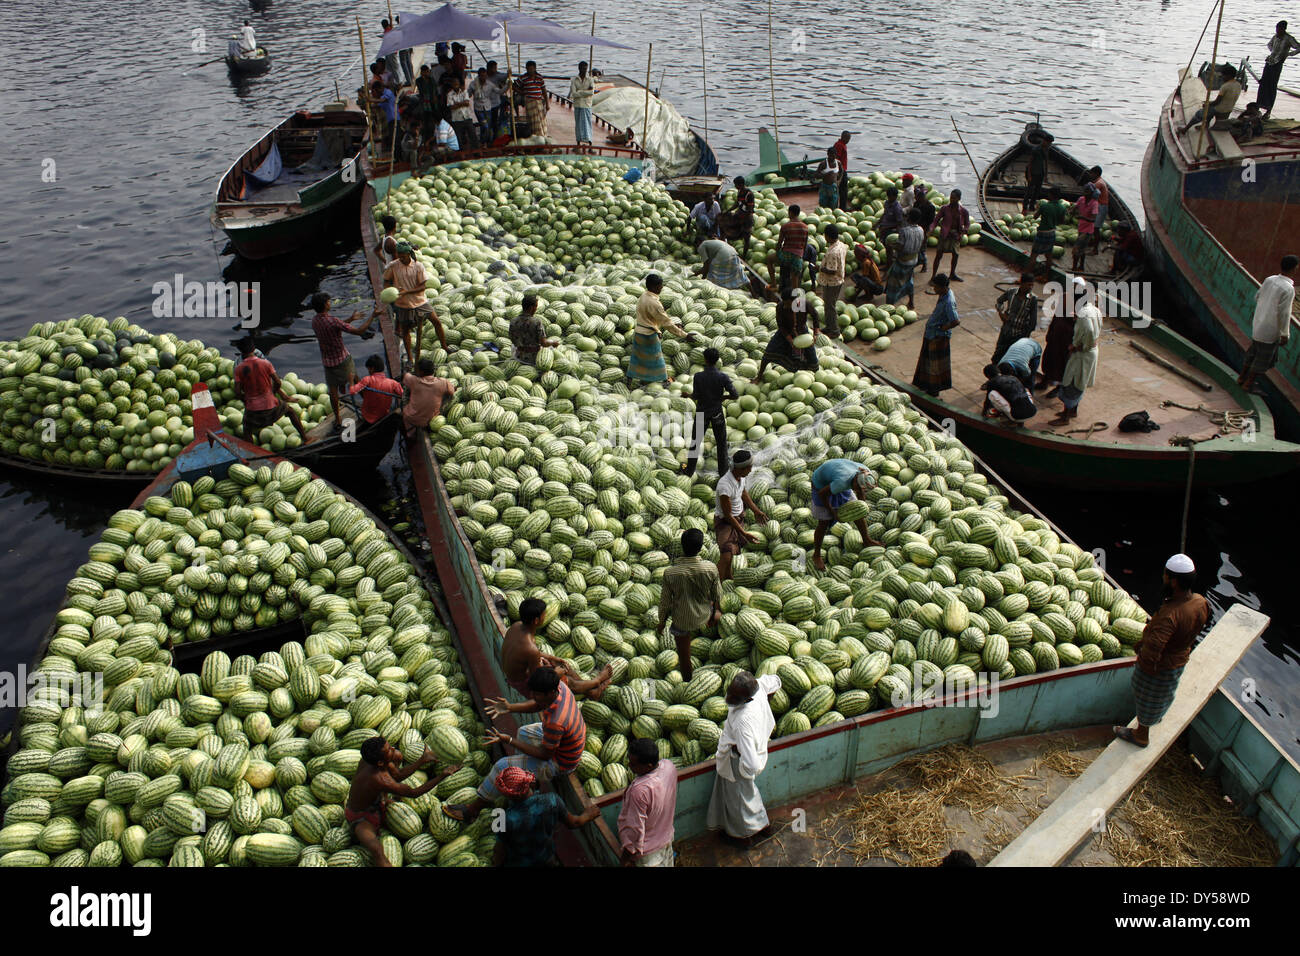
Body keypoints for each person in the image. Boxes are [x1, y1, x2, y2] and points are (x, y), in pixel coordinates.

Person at [445, 666, 585, 824]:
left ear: (549, 693)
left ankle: (472, 811)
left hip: (562, 761)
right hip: (567, 741)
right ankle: (525, 783)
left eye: (536, 694)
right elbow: (538, 704)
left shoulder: (556, 721)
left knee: (501, 767)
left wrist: (509, 740)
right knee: (524, 733)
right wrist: (509, 708)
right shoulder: (560, 688)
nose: (532, 696)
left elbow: (545, 754)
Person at [1113, 554, 1211, 748]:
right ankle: (1156, 718)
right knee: (1166, 693)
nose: (1163, 579)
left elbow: (1154, 649)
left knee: (1147, 698)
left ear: (1173, 581)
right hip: (1180, 659)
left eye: (1165, 576)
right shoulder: (1200, 601)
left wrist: (1145, 667)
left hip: (1160, 667)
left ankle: (1141, 735)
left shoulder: (1170, 615)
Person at [347, 737, 457, 867]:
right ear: (381, 762)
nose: (393, 749)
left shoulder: (370, 761)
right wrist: (443, 775)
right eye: (389, 750)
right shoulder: (380, 779)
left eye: (390, 746)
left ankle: (385, 800)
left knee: (398, 756)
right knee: (376, 850)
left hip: (377, 802)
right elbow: (414, 793)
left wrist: (422, 760)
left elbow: (398, 776)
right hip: (360, 817)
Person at [707, 671, 781, 848]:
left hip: (738, 763)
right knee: (749, 795)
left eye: (734, 696)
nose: (729, 697)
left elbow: (752, 762)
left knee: (738, 801)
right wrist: (768, 702)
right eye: (730, 691)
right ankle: (764, 827)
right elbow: (776, 681)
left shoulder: (742, 722)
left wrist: (741, 766)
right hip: (749, 753)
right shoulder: (759, 689)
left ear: (747, 698)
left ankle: (743, 838)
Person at [491, 597, 613, 701]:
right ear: (537, 620)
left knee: (565, 668)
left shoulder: (516, 626)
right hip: (524, 685)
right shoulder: (530, 648)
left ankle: (592, 692)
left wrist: (550, 657)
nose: (547, 616)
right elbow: (538, 682)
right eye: (545, 614)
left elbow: (523, 653)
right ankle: (597, 682)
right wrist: (556, 673)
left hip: (518, 672)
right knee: (568, 682)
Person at [489, 767, 601, 867]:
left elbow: (499, 852)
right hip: (546, 857)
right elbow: (574, 823)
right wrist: (588, 815)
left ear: (507, 795)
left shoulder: (502, 818)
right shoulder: (552, 800)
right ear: (529, 783)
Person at [658, 529, 722, 681]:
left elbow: (665, 602)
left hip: (682, 621)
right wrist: (714, 613)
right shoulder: (710, 568)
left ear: (682, 546)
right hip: (705, 615)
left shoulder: (670, 573)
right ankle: (713, 644)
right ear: (700, 548)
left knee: (683, 656)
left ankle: (688, 680)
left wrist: (661, 623)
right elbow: (718, 595)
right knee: (719, 614)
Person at [309, 292, 375, 427]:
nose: (330, 302)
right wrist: (373, 316)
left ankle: (338, 420)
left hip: (328, 362)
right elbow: (359, 331)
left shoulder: (315, 321)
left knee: (333, 392)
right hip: (342, 360)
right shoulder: (333, 320)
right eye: (328, 301)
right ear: (324, 305)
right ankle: (369, 409)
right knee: (357, 381)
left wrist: (350, 319)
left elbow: (335, 327)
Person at [1237, 254, 1298, 391]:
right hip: (1270, 330)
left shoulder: (1269, 279)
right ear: (1294, 269)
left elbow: (1257, 296)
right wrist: (1285, 334)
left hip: (1258, 325)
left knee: (1252, 353)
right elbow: (1284, 313)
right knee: (1261, 359)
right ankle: (1248, 384)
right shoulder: (1288, 289)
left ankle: (1241, 378)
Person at [809, 458, 882, 571]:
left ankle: (866, 540)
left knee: (858, 514)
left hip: (837, 477)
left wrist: (861, 506)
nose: (858, 490)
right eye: (857, 488)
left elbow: (860, 491)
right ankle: (816, 555)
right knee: (824, 523)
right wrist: (833, 513)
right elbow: (822, 494)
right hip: (820, 484)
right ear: (854, 482)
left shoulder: (865, 472)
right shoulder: (842, 482)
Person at [383, 241, 449, 364]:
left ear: (409, 253)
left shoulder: (418, 266)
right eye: (399, 255)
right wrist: (390, 291)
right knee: (406, 331)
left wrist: (406, 292)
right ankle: (410, 358)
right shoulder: (393, 266)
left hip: (420, 301)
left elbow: (422, 287)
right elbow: (386, 281)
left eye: (403, 255)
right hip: (403, 304)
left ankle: (444, 346)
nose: (400, 258)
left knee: (436, 322)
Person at [233, 338, 309, 443]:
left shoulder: (238, 369)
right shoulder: (266, 364)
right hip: (271, 406)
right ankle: (305, 438)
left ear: (241, 352)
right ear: (254, 348)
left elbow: (237, 392)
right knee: (290, 411)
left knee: (246, 428)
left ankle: (251, 453)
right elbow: (278, 382)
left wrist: (246, 401)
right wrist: (272, 393)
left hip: (253, 411)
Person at [618, 738, 678, 866]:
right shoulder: (669, 766)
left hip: (649, 854)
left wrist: (625, 858)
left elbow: (634, 831)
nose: (629, 765)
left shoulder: (639, 791)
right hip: (666, 838)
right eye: (629, 760)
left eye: (633, 764)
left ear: (648, 766)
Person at [1050, 277, 1101, 426]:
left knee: (1071, 383)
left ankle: (1065, 417)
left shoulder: (1084, 313)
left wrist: (1078, 346)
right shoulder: (1094, 309)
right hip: (1091, 352)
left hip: (1083, 354)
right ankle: (1073, 410)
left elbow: (1090, 331)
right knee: (1080, 381)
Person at [628, 273, 693, 386]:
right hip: (649, 336)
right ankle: (664, 381)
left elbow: (650, 319)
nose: (662, 287)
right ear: (653, 287)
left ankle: (629, 381)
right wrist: (685, 335)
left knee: (637, 359)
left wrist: (673, 324)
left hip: (639, 333)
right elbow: (666, 322)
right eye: (660, 285)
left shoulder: (643, 296)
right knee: (657, 360)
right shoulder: (655, 303)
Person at [684, 348, 738, 477]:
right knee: (721, 444)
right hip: (717, 413)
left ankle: (689, 471)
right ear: (717, 360)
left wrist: (688, 395)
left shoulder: (698, 376)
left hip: (702, 413)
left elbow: (696, 395)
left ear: (705, 360)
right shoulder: (723, 376)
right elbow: (735, 395)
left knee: (695, 443)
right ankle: (723, 472)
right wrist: (724, 398)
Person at [714, 449, 767, 582]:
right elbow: (727, 515)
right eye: (749, 467)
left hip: (737, 518)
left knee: (731, 554)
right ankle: (715, 586)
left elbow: (743, 494)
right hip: (726, 522)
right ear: (742, 468)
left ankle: (728, 576)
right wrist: (744, 533)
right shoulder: (725, 486)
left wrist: (756, 511)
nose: (751, 470)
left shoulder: (740, 477)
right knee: (725, 556)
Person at [913, 273, 959, 396]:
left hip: (938, 336)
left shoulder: (949, 301)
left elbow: (955, 321)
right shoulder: (944, 294)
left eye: (936, 287)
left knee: (935, 365)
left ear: (943, 287)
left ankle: (934, 390)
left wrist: (943, 328)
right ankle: (924, 384)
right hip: (931, 334)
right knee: (927, 361)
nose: (934, 289)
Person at [756, 287, 818, 378]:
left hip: (802, 332)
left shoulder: (804, 304)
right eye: (784, 302)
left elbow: (815, 315)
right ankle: (759, 376)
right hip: (785, 332)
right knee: (769, 353)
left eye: (788, 303)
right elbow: (781, 326)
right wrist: (790, 340)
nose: (785, 305)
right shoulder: (780, 307)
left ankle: (812, 376)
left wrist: (816, 333)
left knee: (812, 358)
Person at [1179, 65, 1243, 135]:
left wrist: (1206, 104)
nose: (1222, 77)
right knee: (1209, 107)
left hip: (1220, 109)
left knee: (1199, 114)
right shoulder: (1238, 85)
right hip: (1229, 109)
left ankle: (1185, 129)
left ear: (1229, 76)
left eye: (1224, 75)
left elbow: (1217, 102)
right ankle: (1206, 125)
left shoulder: (1225, 86)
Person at [992, 273, 1039, 365]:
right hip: (1006, 331)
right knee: (997, 355)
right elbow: (999, 301)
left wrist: (1025, 336)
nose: (1030, 287)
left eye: (1032, 285)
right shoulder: (1011, 292)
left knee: (1011, 358)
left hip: (1019, 334)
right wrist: (1001, 313)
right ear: (1022, 283)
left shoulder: (1033, 299)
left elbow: (1033, 321)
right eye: (1028, 284)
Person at [402, 357, 455, 435]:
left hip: (411, 418)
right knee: (447, 396)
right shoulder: (443, 383)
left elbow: (405, 375)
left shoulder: (414, 380)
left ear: (421, 372)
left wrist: (408, 369)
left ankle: (409, 435)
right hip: (431, 420)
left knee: (406, 394)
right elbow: (452, 392)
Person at [1258, 21, 1300, 118]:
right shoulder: (1275, 36)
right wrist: (1273, 52)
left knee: (1272, 86)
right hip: (1269, 62)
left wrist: (1288, 54)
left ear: (1284, 29)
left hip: (1277, 64)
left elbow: (1298, 47)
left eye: (1279, 29)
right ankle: (1259, 106)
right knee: (1263, 84)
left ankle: (1268, 110)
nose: (1277, 31)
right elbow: (1269, 44)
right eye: (1276, 29)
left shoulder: (1289, 39)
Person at [886, 209, 926, 310]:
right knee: (909, 280)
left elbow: (900, 246)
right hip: (914, 260)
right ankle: (911, 302)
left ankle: (889, 307)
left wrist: (891, 246)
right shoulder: (921, 229)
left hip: (903, 261)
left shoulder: (904, 231)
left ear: (908, 218)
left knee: (893, 283)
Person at [349, 354, 403, 425]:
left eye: (368, 369)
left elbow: (352, 391)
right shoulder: (393, 383)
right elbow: (403, 394)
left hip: (368, 416)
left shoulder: (367, 380)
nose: (368, 371)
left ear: (372, 369)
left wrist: (351, 381)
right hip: (383, 414)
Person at [929, 190, 970, 285]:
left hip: (956, 235)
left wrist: (965, 230)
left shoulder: (964, 211)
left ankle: (952, 274)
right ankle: (933, 276)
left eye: (954, 198)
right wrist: (931, 228)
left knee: (955, 255)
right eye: (951, 197)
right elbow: (936, 220)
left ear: (959, 199)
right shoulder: (944, 208)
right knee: (939, 255)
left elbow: (967, 223)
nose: (951, 199)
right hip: (944, 234)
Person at [815, 224, 848, 338]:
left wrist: (819, 268)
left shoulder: (833, 252)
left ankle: (834, 330)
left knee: (830, 306)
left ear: (828, 236)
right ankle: (829, 326)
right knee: (829, 305)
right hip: (838, 280)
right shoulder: (841, 245)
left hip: (832, 282)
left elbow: (832, 271)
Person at [509, 293, 559, 366]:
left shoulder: (513, 321)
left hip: (518, 356)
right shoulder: (536, 322)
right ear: (532, 307)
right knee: (550, 347)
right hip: (533, 359)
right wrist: (553, 343)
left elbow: (512, 339)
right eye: (536, 306)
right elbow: (544, 343)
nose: (536, 309)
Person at [1029, 186, 1069, 276]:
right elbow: (1061, 221)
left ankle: (1027, 275)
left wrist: (1037, 208)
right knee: (1049, 256)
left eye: (1049, 194)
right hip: (1052, 233)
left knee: (1034, 255)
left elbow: (1035, 217)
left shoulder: (1045, 206)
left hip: (1042, 233)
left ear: (1051, 195)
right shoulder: (1062, 208)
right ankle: (1046, 276)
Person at [776, 205, 810, 293]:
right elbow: (805, 245)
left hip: (786, 255)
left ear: (790, 213)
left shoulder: (785, 226)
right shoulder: (805, 227)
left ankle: (776, 286)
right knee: (795, 281)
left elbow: (779, 243)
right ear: (798, 214)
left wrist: (777, 253)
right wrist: (801, 256)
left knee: (769, 259)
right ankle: (796, 302)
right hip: (798, 256)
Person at [1072, 183, 1100, 273]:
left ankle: (1074, 267)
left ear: (1092, 193)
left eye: (1088, 191)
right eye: (1085, 191)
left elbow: (1093, 219)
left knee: (1076, 248)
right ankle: (1081, 267)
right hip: (1081, 228)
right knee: (1082, 249)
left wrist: (1083, 217)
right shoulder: (1081, 199)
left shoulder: (1094, 204)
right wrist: (1071, 210)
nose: (1085, 193)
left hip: (1088, 230)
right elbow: (1075, 207)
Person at [446, 73, 477, 151]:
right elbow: (451, 107)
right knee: (458, 137)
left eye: (457, 83)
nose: (456, 84)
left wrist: (457, 104)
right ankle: (461, 152)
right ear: (452, 84)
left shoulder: (464, 92)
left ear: (459, 84)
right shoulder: (449, 94)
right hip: (456, 119)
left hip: (467, 116)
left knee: (473, 135)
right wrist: (462, 103)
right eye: (454, 83)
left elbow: (467, 103)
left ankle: (475, 150)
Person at [518, 61, 548, 139]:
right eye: (528, 69)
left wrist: (547, 104)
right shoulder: (523, 78)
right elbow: (515, 86)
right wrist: (521, 92)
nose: (530, 71)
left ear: (535, 68)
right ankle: (536, 136)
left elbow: (544, 90)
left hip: (539, 101)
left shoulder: (539, 77)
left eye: (532, 69)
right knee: (533, 120)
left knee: (541, 119)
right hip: (530, 101)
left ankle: (542, 135)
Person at [1023, 132, 1052, 212]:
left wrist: (1046, 174)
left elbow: (1046, 161)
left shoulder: (1046, 149)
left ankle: (1032, 205)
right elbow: (1030, 163)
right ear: (1045, 141)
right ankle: (1025, 207)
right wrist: (1029, 175)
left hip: (1040, 173)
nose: (1049, 145)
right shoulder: (1036, 149)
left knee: (1037, 191)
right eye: (1048, 143)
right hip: (1033, 172)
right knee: (1029, 191)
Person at [1085, 167, 1110, 255]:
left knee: (1096, 228)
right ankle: (1092, 242)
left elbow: (1090, 195)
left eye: (1091, 173)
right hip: (1099, 206)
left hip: (1102, 207)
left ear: (1096, 174)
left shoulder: (1098, 183)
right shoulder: (1099, 181)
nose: (1090, 175)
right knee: (1093, 226)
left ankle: (1095, 250)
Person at [569, 61, 595, 145]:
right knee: (578, 124)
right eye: (583, 68)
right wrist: (584, 92)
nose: (584, 70)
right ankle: (578, 141)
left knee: (587, 123)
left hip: (587, 105)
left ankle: (589, 141)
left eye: (586, 68)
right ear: (579, 68)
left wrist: (579, 92)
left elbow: (591, 92)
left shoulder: (590, 79)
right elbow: (573, 93)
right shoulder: (574, 79)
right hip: (578, 105)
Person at [912, 185, 937, 272]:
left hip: (924, 230)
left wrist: (927, 232)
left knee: (922, 249)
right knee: (916, 248)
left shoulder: (930, 207)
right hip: (916, 228)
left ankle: (924, 264)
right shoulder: (916, 204)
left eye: (918, 196)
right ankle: (919, 262)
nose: (916, 197)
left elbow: (931, 221)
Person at [468, 67, 496, 144]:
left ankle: (485, 142)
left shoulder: (489, 84)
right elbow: (468, 94)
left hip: (487, 108)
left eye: (485, 76)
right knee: (485, 126)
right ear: (479, 76)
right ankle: (483, 142)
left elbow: (499, 91)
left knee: (487, 127)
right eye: (482, 76)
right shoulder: (473, 84)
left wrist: (507, 85)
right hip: (478, 108)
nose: (483, 78)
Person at [369, 81, 397, 153]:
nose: (373, 93)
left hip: (389, 120)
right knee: (384, 137)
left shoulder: (385, 96)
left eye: (374, 91)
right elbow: (373, 114)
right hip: (382, 123)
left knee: (389, 136)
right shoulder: (376, 100)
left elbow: (381, 102)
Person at [832, 131, 851, 210]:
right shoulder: (839, 145)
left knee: (842, 189)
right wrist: (840, 171)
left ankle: (841, 206)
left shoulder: (843, 145)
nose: (848, 141)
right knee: (843, 189)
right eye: (848, 139)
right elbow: (837, 159)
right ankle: (843, 207)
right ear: (843, 137)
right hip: (841, 170)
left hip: (842, 169)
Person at [394, 16, 414, 86]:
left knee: (404, 64)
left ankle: (409, 81)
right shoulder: (407, 27)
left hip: (403, 48)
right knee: (408, 62)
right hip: (408, 47)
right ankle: (411, 78)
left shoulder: (399, 28)